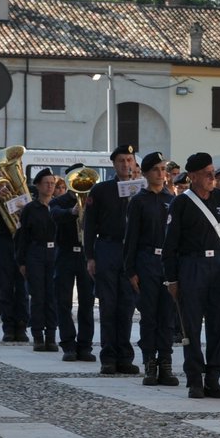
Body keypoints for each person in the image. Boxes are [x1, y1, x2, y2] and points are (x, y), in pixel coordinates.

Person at [163, 152, 220, 398]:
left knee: (218, 326)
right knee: (191, 327)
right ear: (193, 177)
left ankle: (213, 377)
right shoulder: (181, 203)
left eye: (213, 173)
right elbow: (170, 245)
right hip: (192, 267)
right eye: (207, 174)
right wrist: (172, 279)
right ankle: (194, 379)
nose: (213, 177)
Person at [124, 152, 180, 387]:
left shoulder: (173, 199)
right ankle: (150, 362)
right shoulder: (139, 201)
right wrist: (130, 270)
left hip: (166, 262)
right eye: (156, 169)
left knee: (167, 315)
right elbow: (131, 239)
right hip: (146, 260)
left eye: (163, 169)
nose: (161, 173)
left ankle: (165, 362)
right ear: (146, 173)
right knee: (149, 316)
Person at [84, 145, 141, 377]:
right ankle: (108, 357)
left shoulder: (141, 190)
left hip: (131, 250)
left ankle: (125, 357)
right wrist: (90, 256)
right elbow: (89, 225)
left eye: (129, 160)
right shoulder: (101, 190)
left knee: (127, 307)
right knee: (108, 306)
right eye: (121, 161)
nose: (126, 165)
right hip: (108, 248)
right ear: (114, 164)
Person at [51, 168, 96, 362]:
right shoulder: (59, 201)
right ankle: (68, 344)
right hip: (66, 253)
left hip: (86, 255)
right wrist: (73, 211)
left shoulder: (93, 200)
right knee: (63, 301)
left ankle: (85, 346)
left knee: (87, 302)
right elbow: (55, 214)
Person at [17, 169, 61, 353]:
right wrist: (21, 261)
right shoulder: (30, 209)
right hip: (35, 252)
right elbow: (22, 236)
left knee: (52, 296)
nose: (50, 186)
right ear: (38, 185)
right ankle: (37, 336)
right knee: (37, 296)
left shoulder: (58, 206)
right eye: (46, 183)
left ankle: (51, 336)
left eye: (52, 183)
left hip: (55, 253)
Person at [0, 170, 29, 342]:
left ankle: (22, 325)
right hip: (4, 241)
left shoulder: (22, 194)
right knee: (5, 286)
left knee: (22, 287)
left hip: (22, 242)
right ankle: (8, 327)